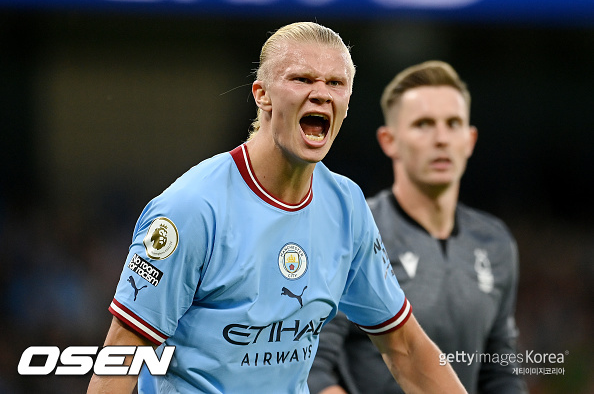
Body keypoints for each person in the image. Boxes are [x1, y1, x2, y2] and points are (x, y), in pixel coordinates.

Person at [87, 24, 466, 394]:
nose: (321, 94)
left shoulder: (347, 206)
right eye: (302, 79)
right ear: (262, 94)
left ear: (347, 103)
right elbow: (119, 360)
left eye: (335, 83)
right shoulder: (192, 209)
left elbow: (405, 347)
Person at [308, 61, 528, 394]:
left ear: (469, 140)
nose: (441, 139)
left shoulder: (495, 242)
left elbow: (499, 373)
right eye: (423, 124)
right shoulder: (351, 229)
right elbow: (313, 368)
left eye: (453, 124)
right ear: (389, 140)